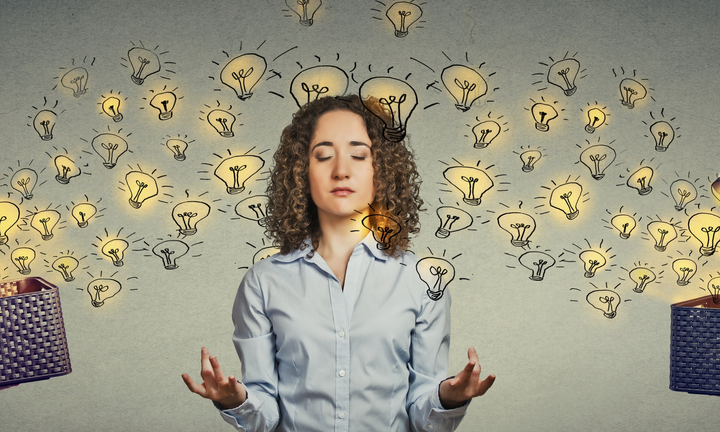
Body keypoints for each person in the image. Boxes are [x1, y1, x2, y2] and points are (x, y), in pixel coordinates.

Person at [182, 95, 495, 431]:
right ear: (302, 170)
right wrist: (236, 401)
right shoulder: (263, 282)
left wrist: (449, 398)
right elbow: (266, 413)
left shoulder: (423, 281)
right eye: (324, 156)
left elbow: (423, 415)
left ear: (383, 170)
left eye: (359, 155)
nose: (341, 171)